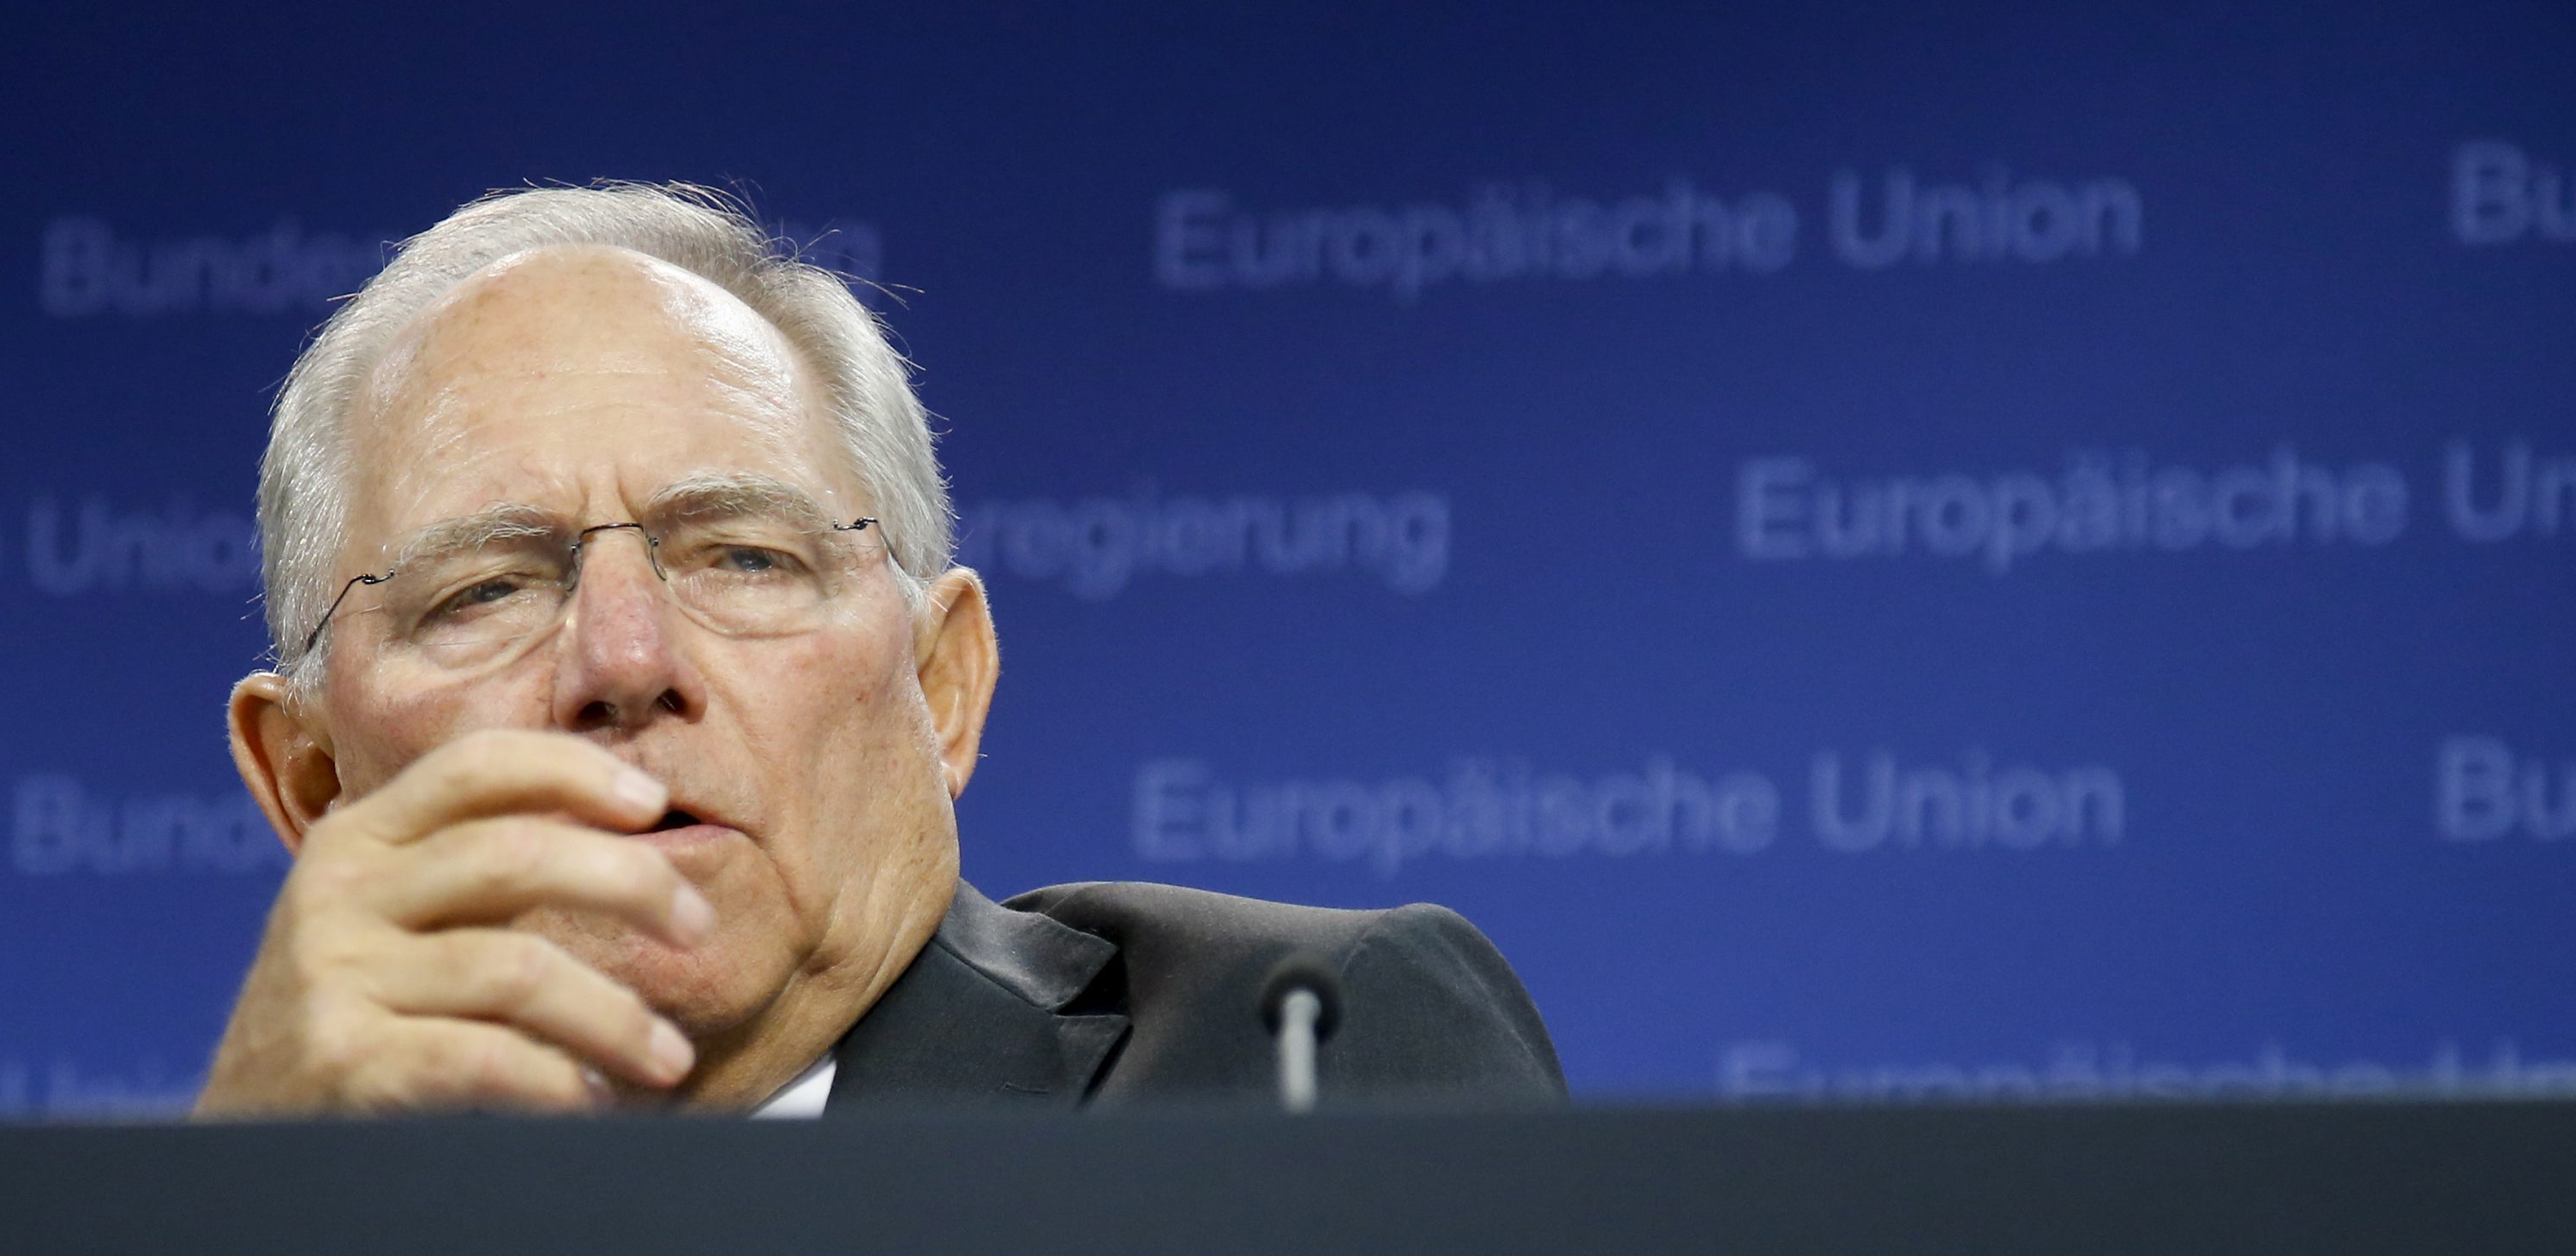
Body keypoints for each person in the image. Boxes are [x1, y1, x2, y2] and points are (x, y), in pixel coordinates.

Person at [196, 182, 1561, 1119]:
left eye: (745, 557)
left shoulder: (1297, 1065)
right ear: (314, 784)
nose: (623, 659)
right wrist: (238, 1225)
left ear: (941, 684)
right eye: (487, 589)